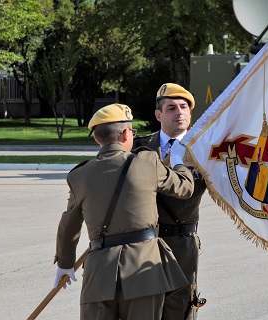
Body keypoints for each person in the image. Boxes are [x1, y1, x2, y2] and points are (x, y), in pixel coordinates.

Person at [53, 103, 195, 320]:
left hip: (99, 273)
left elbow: (68, 226)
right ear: (126, 134)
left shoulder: (79, 176)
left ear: (96, 138)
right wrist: (178, 161)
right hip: (144, 272)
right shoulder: (147, 162)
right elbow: (185, 188)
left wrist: (65, 263)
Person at [133, 83, 207, 320]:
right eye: (172, 108)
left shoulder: (203, 150)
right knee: (143, 307)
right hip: (144, 242)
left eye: (184, 107)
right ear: (158, 114)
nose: (180, 113)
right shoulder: (138, 148)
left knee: (180, 307)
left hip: (181, 241)